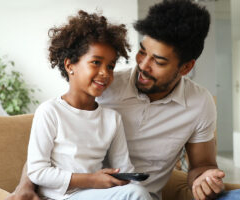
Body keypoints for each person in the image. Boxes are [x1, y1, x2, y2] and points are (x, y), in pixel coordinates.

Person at [6, 1, 240, 200]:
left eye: (159, 61)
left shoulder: (200, 103)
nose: (143, 65)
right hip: (96, 192)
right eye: (142, 52)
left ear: (186, 67)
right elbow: (55, 136)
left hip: (135, 192)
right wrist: (25, 186)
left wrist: (205, 179)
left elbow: (202, 165)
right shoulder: (103, 86)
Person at [25, 10, 152, 200]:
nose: (105, 73)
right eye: (96, 62)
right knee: (137, 195)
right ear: (70, 66)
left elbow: (123, 167)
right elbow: (37, 171)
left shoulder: (112, 118)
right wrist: (91, 180)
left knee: (138, 192)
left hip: (96, 194)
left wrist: (129, 179)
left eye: (110, 66)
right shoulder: (50, 112)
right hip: (60, 197)